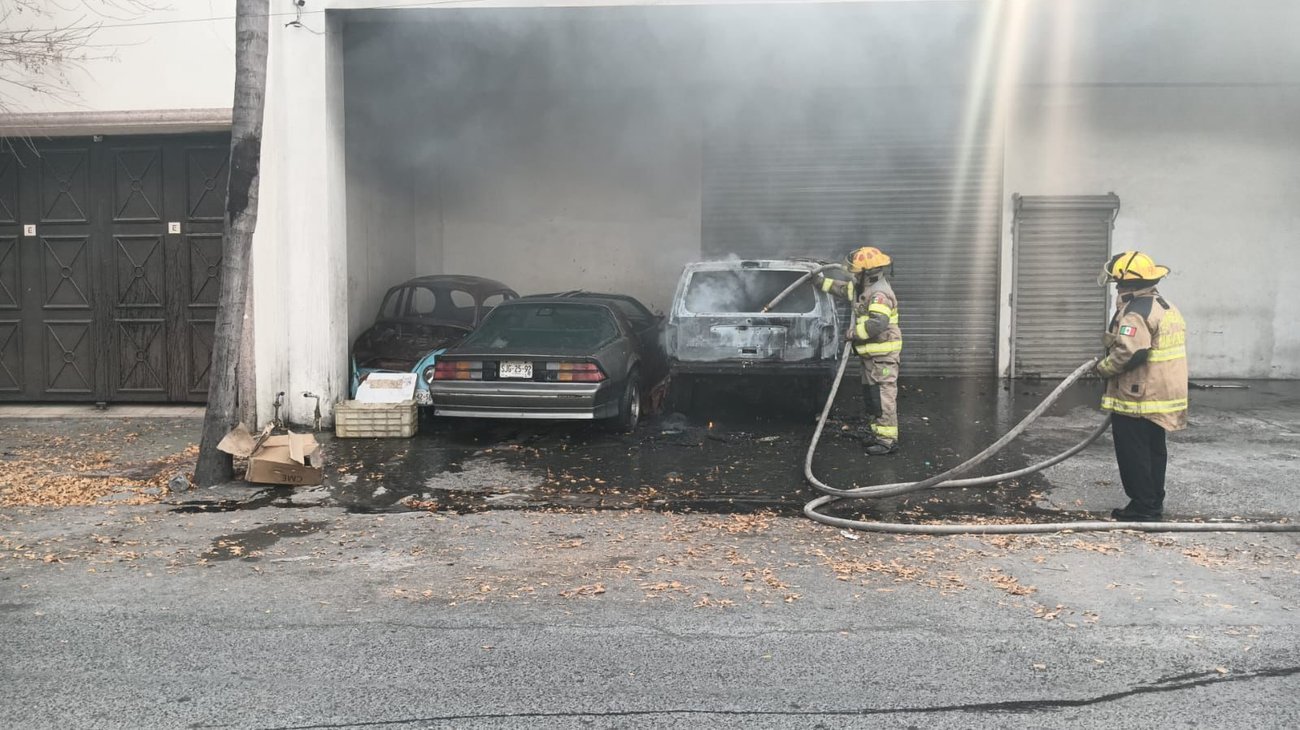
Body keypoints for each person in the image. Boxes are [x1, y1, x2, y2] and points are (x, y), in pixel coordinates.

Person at [1095, 251, 1188, 521]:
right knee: (1153, 451)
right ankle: (1152, 501)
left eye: (1118, 283)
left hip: (1139, 395)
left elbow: (1131, 352)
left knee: (1133, 452)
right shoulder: (1164, 305)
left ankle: (1143, 508)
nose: (1117, 288)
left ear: (1128, 284)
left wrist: (1104, 369)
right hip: (1162, 394)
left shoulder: (1136, 312)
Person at [814, 247, 903, 455]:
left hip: (882, 356)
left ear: (867, 272)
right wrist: (819, 282)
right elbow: (842, 288)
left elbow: (878, 324)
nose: (852, 274)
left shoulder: (879, 294)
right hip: (870, 356)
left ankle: (887, 441)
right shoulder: (862, 287)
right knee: (873, 396)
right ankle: (876, 434)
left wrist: (853, 333)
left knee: (882, 396)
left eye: (855, 271)